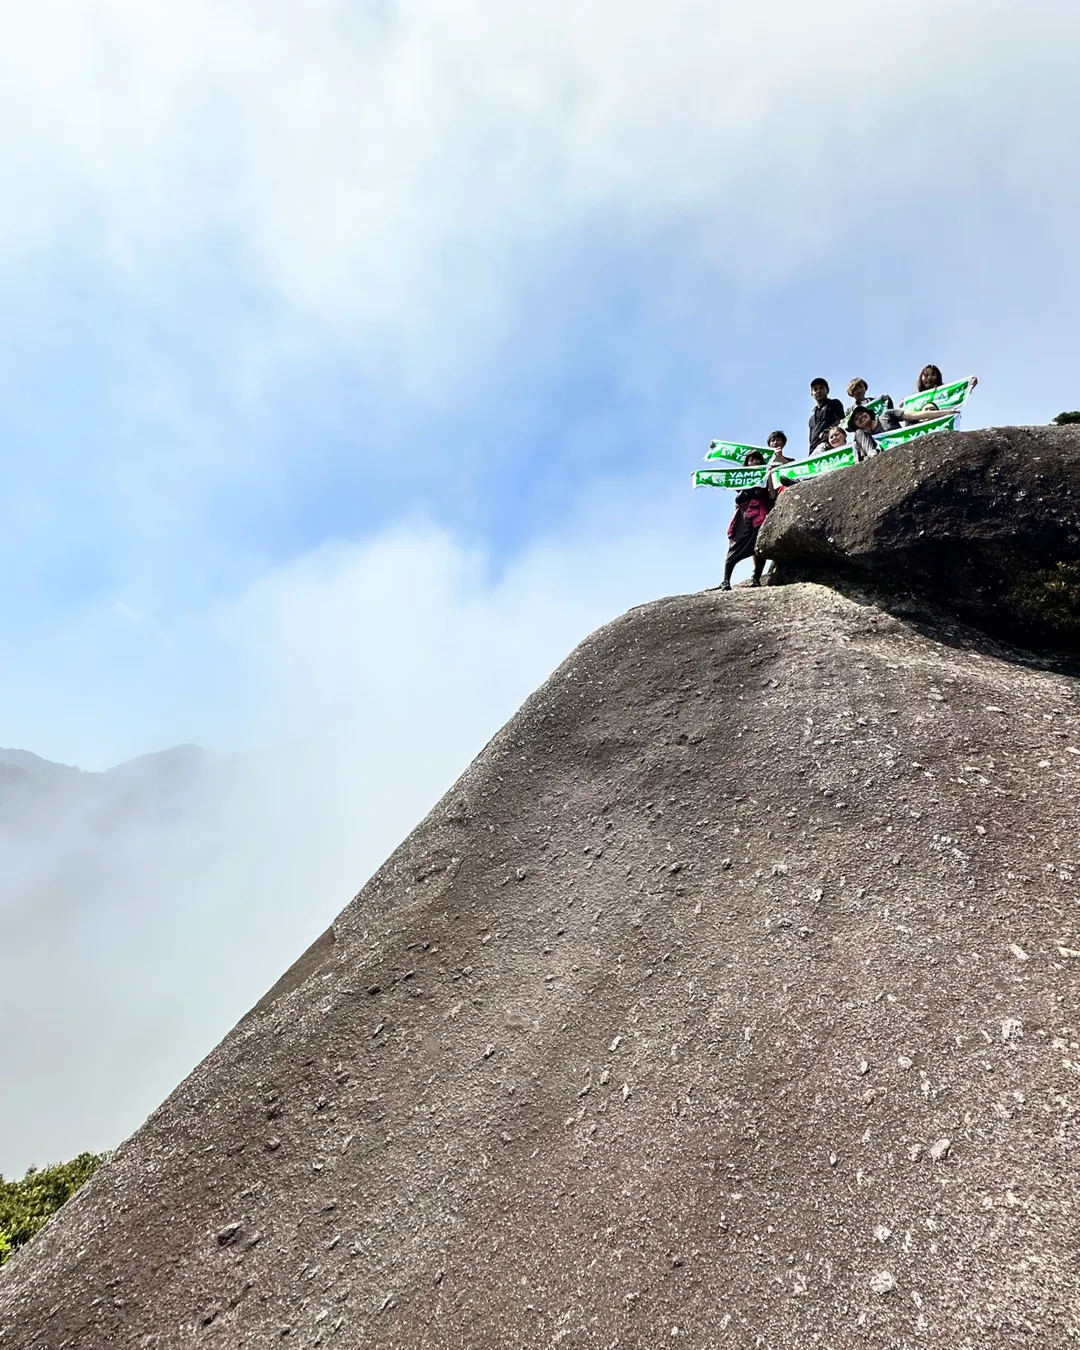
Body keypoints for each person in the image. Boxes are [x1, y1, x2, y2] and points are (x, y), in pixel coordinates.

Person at [720, 451, 771, 590]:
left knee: (759, 546)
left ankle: (756, 578)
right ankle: (726, 580)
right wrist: (750, 491)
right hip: (744, 516)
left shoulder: (766, 475)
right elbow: (739, 497)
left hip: (761, 515)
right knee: (735, 547)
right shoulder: (742, 478)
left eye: (757, 460)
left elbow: (770, 493)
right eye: (751, 460)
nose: (754, 463)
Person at [808, 379, 845, 451]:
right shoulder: (811, 419)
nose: (818, 391)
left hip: (830, 444)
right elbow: (811, 439)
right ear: (812, 394)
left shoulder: (834, 403)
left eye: (822, 388)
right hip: (814, 450)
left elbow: (840, 421)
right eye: (815, 389)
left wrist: (827, 432)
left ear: (827, 390)